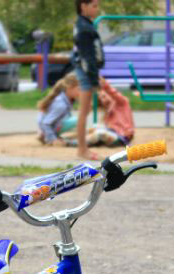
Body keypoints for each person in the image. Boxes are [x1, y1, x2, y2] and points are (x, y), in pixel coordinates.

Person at [72, 0, 104, 160]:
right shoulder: (84, 28)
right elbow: (87, 58)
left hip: (86, 71)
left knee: (85, 111)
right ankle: (82, 150)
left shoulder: (84, 24)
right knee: (83, 112)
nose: (97, 9)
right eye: (94, 6)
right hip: (86, 73)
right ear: (83, 6)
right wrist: (94, 80)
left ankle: (83, 148)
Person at [36, 73, 81, 146]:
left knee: (73, 119)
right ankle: (47, 136)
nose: (81, 92)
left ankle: (48, 135)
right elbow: (46, 123)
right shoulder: (61, 104)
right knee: (77, 120)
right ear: (69, 87)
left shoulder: (67, 99)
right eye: (79, 89)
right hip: (44, 126)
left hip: (47, 125)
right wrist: (53, 139)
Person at [87, 78, 134, 146]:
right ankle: (81, 139)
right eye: (101, 98)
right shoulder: (107, 112)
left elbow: (113, 92)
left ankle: (80, 142)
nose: (103, 99)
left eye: (104, 96)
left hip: (123, 136)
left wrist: (102, 82)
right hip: (113, 134)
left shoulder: (121, 103)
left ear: (109, 94)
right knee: (95, 127)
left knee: (100, 132)